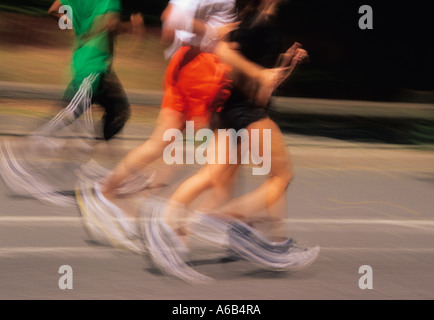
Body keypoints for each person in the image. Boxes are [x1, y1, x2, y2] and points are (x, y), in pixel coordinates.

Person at [140, 0, 320, 283]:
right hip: (246, 112)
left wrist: (285, 64)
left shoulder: (259, 23)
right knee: (281, 176)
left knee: (213, 174)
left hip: (231, 110)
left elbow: (262, 82)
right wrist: (260, 73)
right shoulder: (257, 24)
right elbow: (226, 54)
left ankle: (167, 222)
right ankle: (226, 220)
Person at [75, 0, 239, 254]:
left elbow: (169, 19)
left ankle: (110, 194)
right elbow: (174, 20)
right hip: (202, 67)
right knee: (211, 152)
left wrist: (182, 44)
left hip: (184, 61)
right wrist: (213, 34)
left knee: (164, 142)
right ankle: (174, 225)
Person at [0, 0, 145, 207]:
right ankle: (19, 156)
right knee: (69, 112)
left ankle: (109, 172)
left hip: (93, 64)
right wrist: (132, 28)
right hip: (93, 66)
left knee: (119, 112)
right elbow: (110, 26)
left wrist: (74, 25)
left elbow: (53, 10)